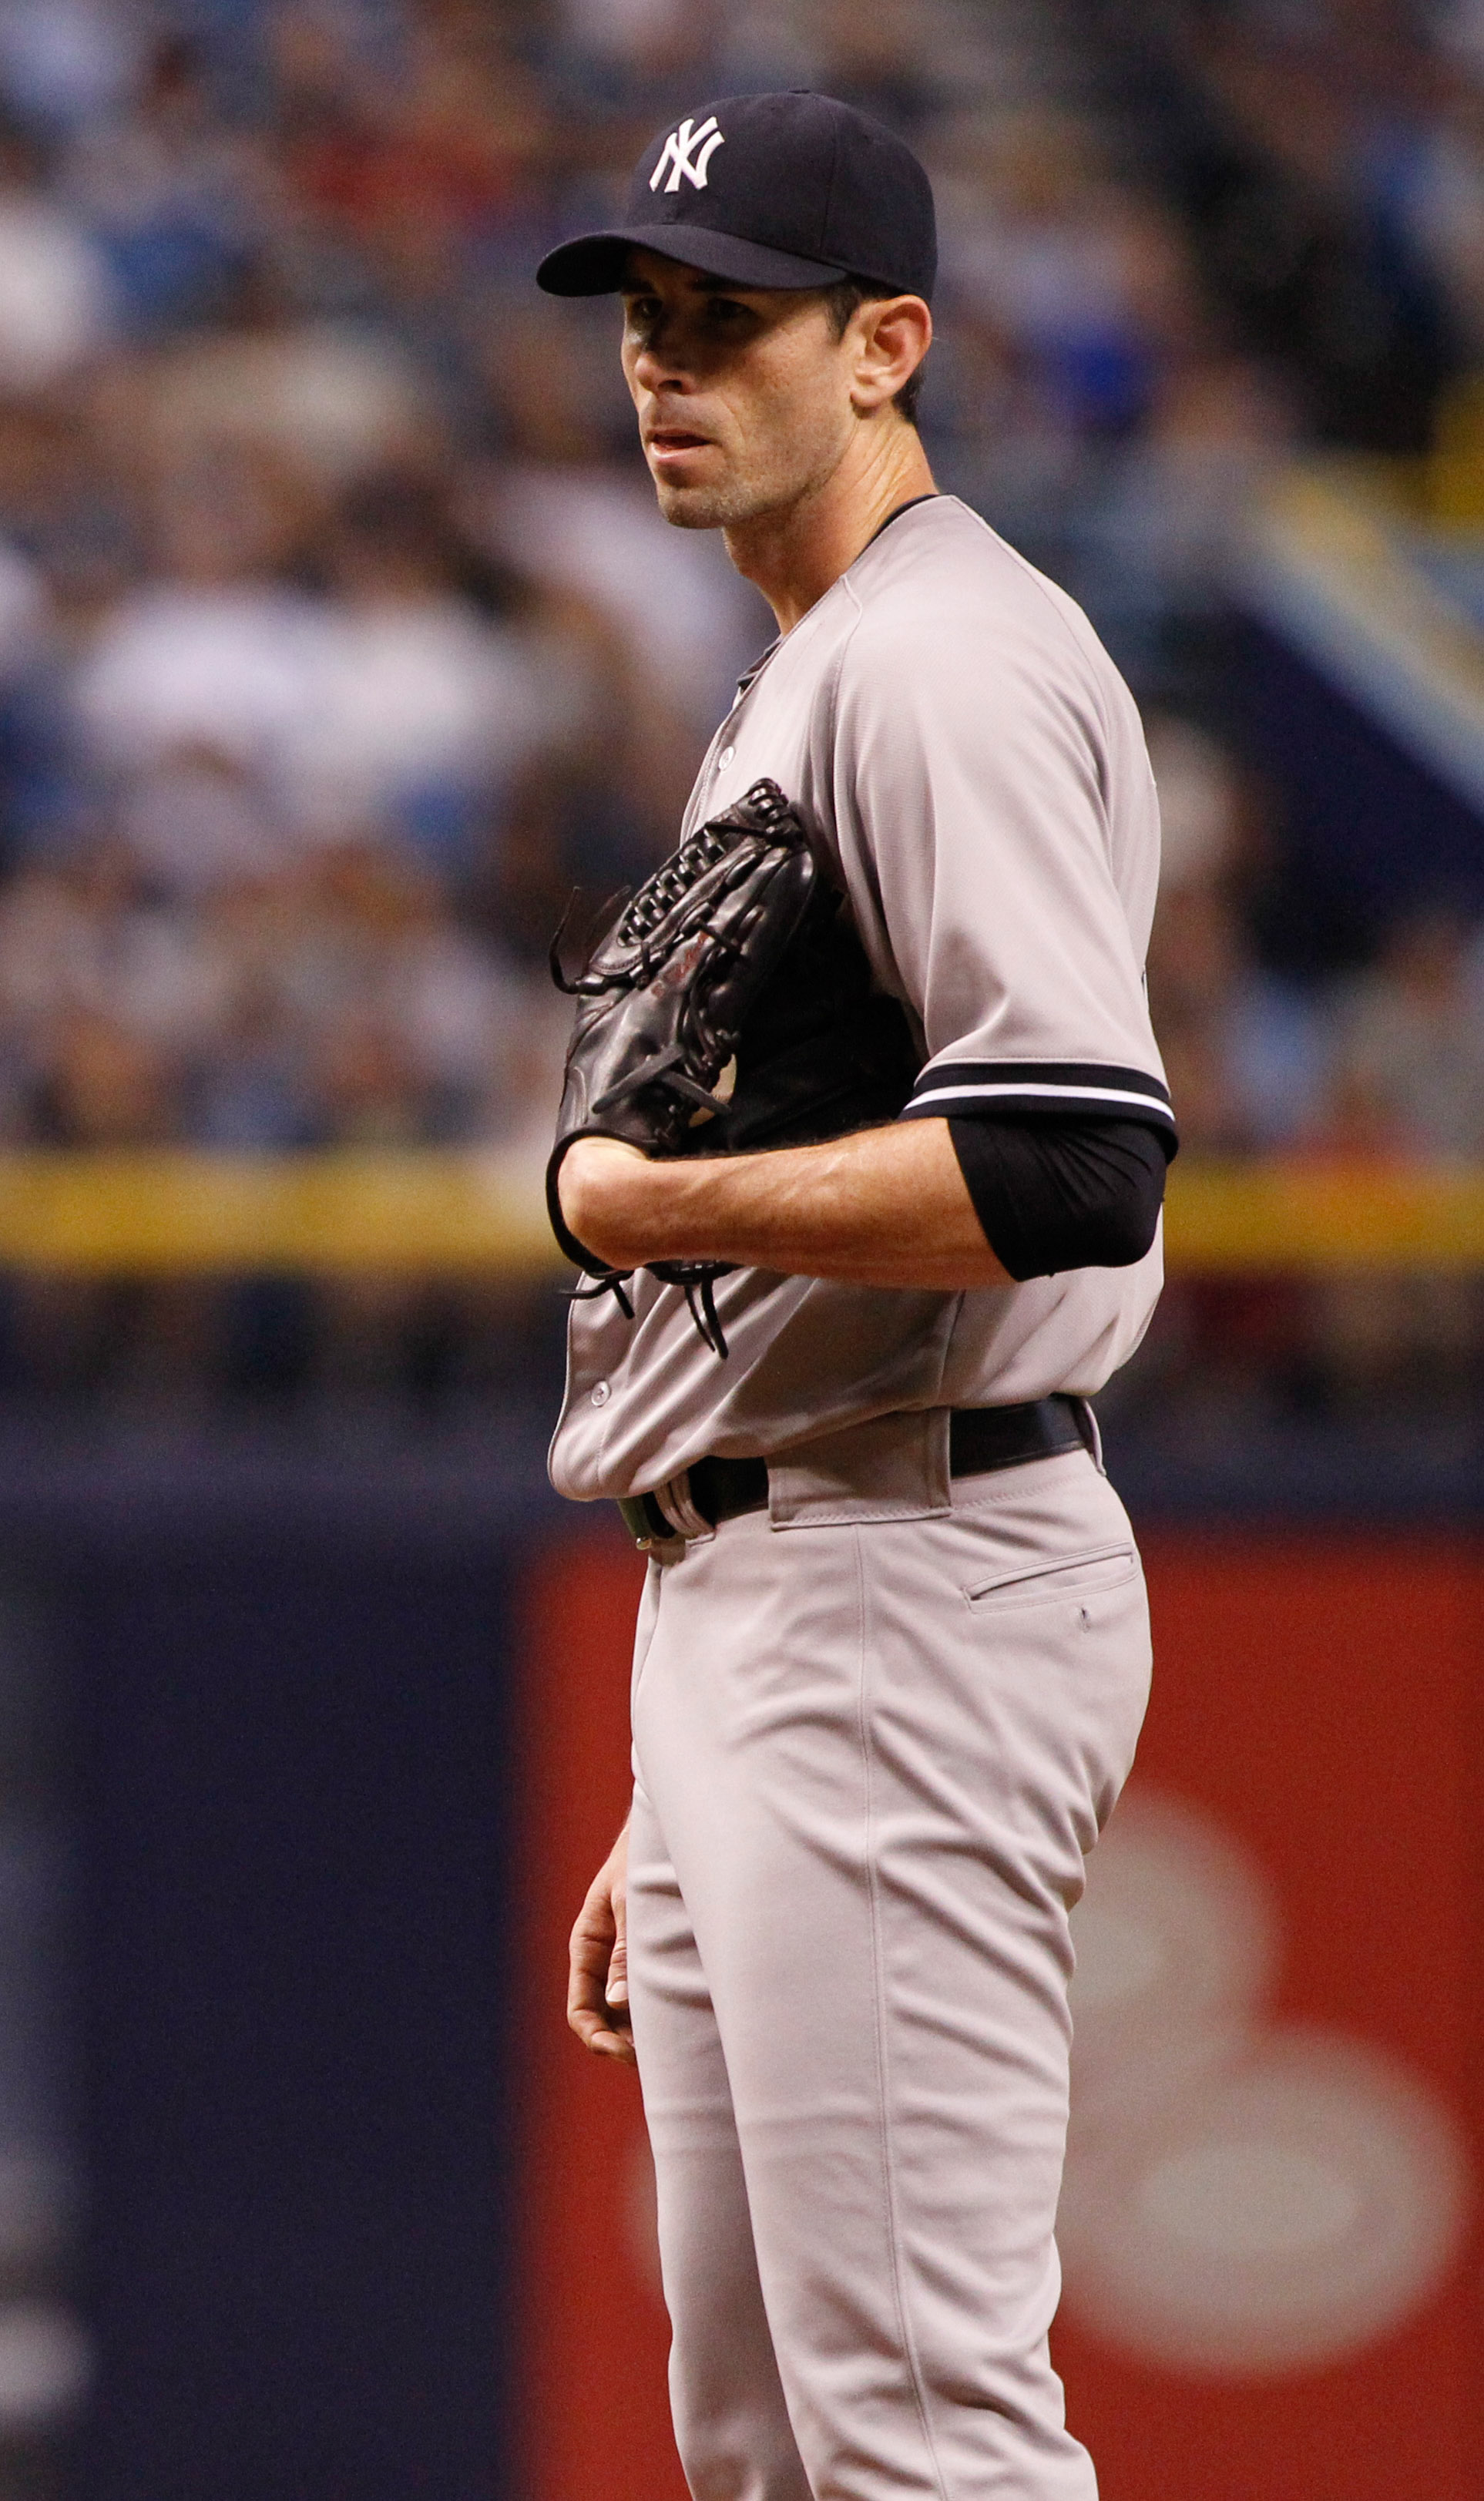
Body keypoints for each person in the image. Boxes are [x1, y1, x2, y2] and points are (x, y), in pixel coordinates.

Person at [537, 90, 1176, 2501]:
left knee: (918, 2435)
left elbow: (1075, 1155)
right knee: (772, 2449)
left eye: (728, 322)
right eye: (645, 319)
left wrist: (658, 1209)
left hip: (905, 1575)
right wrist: (679, 1762)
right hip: (780, 1578)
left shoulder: (942, 664)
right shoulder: (817, 667)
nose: (664, 366)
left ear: (886, 344)